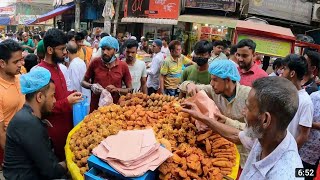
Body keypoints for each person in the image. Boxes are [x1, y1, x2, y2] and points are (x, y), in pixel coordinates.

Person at [182, 77, 303, 179]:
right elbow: (236, 135)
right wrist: (202, 117)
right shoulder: (267, 136)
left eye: (248, 108)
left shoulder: (284, 174)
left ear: (265, 119)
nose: (244, 112)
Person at [180, 59, 251, 168]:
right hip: (219, 149)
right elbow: (185, 85)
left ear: (227, 80)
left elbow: (253, 132)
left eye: (215, 80)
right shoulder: (214, 91)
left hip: (243, 154)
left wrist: (227, 121)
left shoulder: (248, 96)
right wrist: (189, 84)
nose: (211, 83)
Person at [3, 67, 67, 179]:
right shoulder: (29, 123)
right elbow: (51, 170)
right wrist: (70, 162)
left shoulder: (28, 116)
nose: (55, 101)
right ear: (40, 97)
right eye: (52, 96)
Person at [37, 28, 83, 161]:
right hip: (53, 132)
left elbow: (60, 95)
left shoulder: (59, 67)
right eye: (62, 49)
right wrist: (67, 101)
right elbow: (43, 108)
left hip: (66, 128)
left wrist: (72, 94)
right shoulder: (41, 72)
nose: (65, 52)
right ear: (50, 50)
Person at [82, 36, 132, 112]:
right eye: (103, 49)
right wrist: (92, 86)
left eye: (108, 49)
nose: (105, 52)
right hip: (96, 108)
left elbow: (130, 89)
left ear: (115, 50)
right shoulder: (95, 62)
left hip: (115, 109)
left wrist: (117, 90)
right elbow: (83, 82)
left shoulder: (123, 66)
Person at [0, 39, 25, 170]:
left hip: (25, 142)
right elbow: (0, 133)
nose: (21, 64)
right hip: (10, 152)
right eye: (16, 62)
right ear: (2, 63)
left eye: (21, 59)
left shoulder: (21, 76)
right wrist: (13, 157)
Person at [280, 54, 313, 149]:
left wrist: (288, 152)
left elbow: (303, 135)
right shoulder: (283, 94)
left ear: (292, 73)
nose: (281, 72)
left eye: (284, 68)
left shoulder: (305, 102)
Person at [299, 90, 320, 180]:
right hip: (309, 151)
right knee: (303, 175)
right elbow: (303, 121)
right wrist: (316, 125)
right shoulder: (314, 97)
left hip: (316, 153)